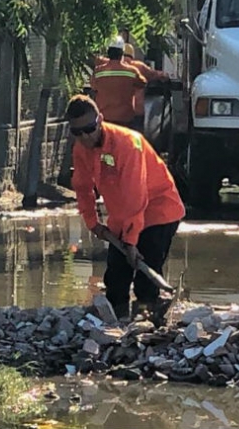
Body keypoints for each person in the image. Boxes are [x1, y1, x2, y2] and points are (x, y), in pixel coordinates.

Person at [67, 95, 185, 320]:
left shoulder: (128, 144)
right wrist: (93, 223)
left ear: (100, 120)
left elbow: (135, 195)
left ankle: (148, 319)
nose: (85, 137)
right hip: (123, 216)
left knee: (145, 273)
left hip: (159, 210)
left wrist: (131, 242)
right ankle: (116, 318)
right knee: (116, 275)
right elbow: (82, 188)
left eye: (89, 129)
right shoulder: (81, 149)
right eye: (77, 132)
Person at [89, 36, 146, 131]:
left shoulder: (98, 71)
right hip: (125, 119)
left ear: (108, 53)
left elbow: (93, 87)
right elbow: (142, 83)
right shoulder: (132, 71)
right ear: (122, 54)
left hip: (104, 118)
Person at [123, 43, 169, 133]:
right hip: (136, 111)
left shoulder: (115, 67)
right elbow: (153, 74)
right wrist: (164, 75)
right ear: (132, 54)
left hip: (119, 112)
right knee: (137, 140)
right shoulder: (139, 66)